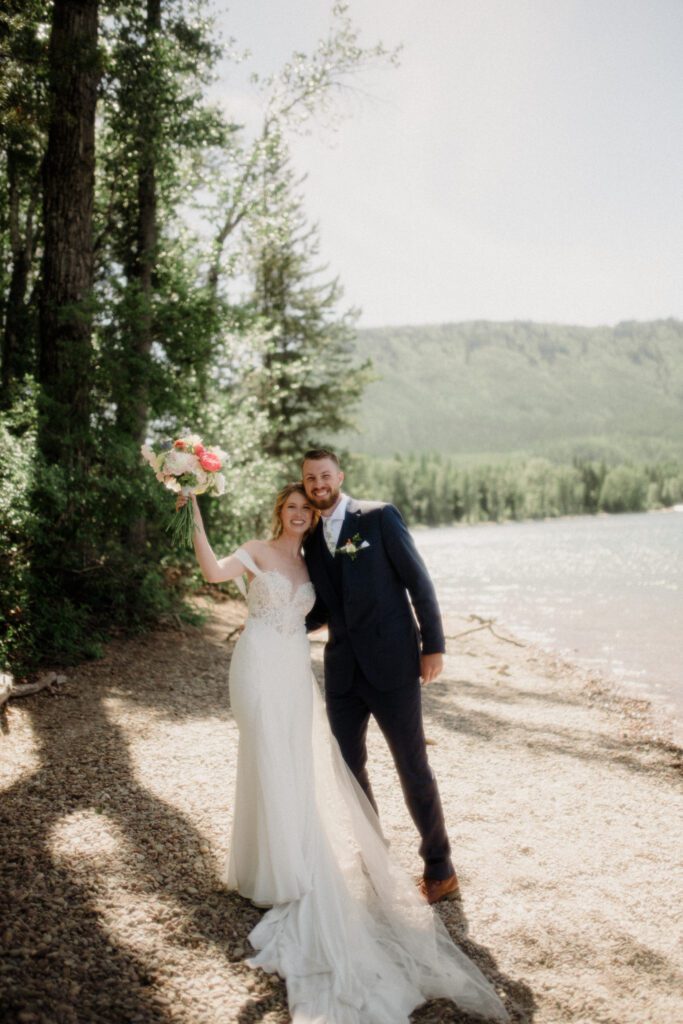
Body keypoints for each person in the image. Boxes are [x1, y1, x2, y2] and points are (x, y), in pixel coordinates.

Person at [176, 482, 508, 1024]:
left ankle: (311, 857)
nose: (300, 513)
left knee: (299, 762)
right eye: (292, 506)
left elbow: (347, 607)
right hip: (259, 663)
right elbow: (213, 571)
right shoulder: (257, 551)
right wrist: (193, 512)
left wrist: (419, 642)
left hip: (296, 669)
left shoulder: (314, 563)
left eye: (306, 508)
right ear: (279, 511)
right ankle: (270, 868)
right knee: (265, 755)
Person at [301, 448, 458, 904]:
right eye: (310, 478)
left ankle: (440, 867)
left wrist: (433, 646)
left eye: (324, 476)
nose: (318, 485)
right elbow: (326, 608)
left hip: (393, 665)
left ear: (339, 476)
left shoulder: (379, 517)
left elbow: (418, 583)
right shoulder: (310, 539)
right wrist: (282, 623)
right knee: (349, 770)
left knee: (412, 767)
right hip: (343, 673)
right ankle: (375, 857)